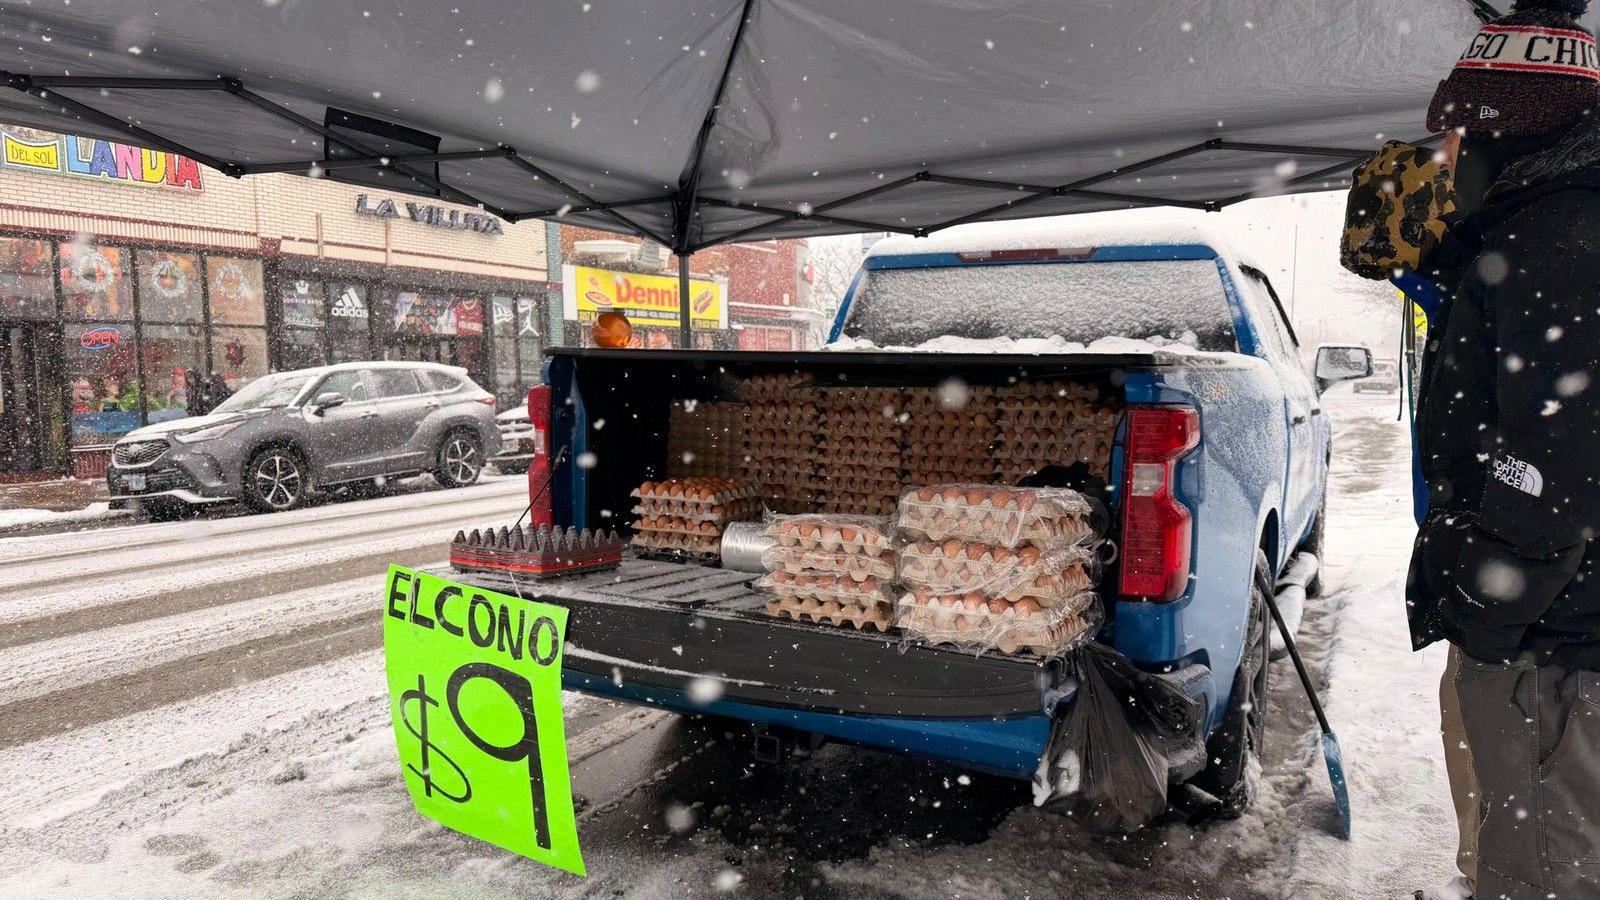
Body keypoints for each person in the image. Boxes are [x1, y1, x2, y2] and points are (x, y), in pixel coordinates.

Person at [1403, 1, 1600, 896]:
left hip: (1550, 655)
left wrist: (1488, 619)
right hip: (1555, 638)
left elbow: (1558, 461)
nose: (1450, 151)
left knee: (1537, 874)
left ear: (1507, 123)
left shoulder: (1557, 235)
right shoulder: (1546, 219)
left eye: (1462, 126)